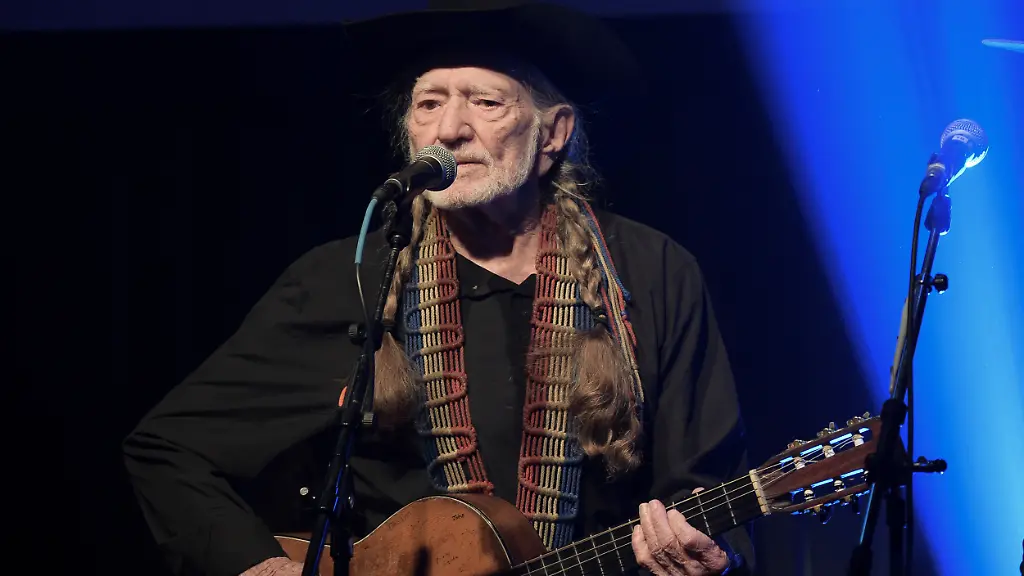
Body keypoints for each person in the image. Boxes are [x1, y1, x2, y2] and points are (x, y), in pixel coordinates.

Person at [123, 1, 755, 575]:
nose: (449, 129)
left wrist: (712, 556)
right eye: (428, 104)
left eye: (485, 102)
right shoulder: (347, 278)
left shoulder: (650, 272)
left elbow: (705, 482)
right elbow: (168, 449)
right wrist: (260, 567)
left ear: (553, 134)